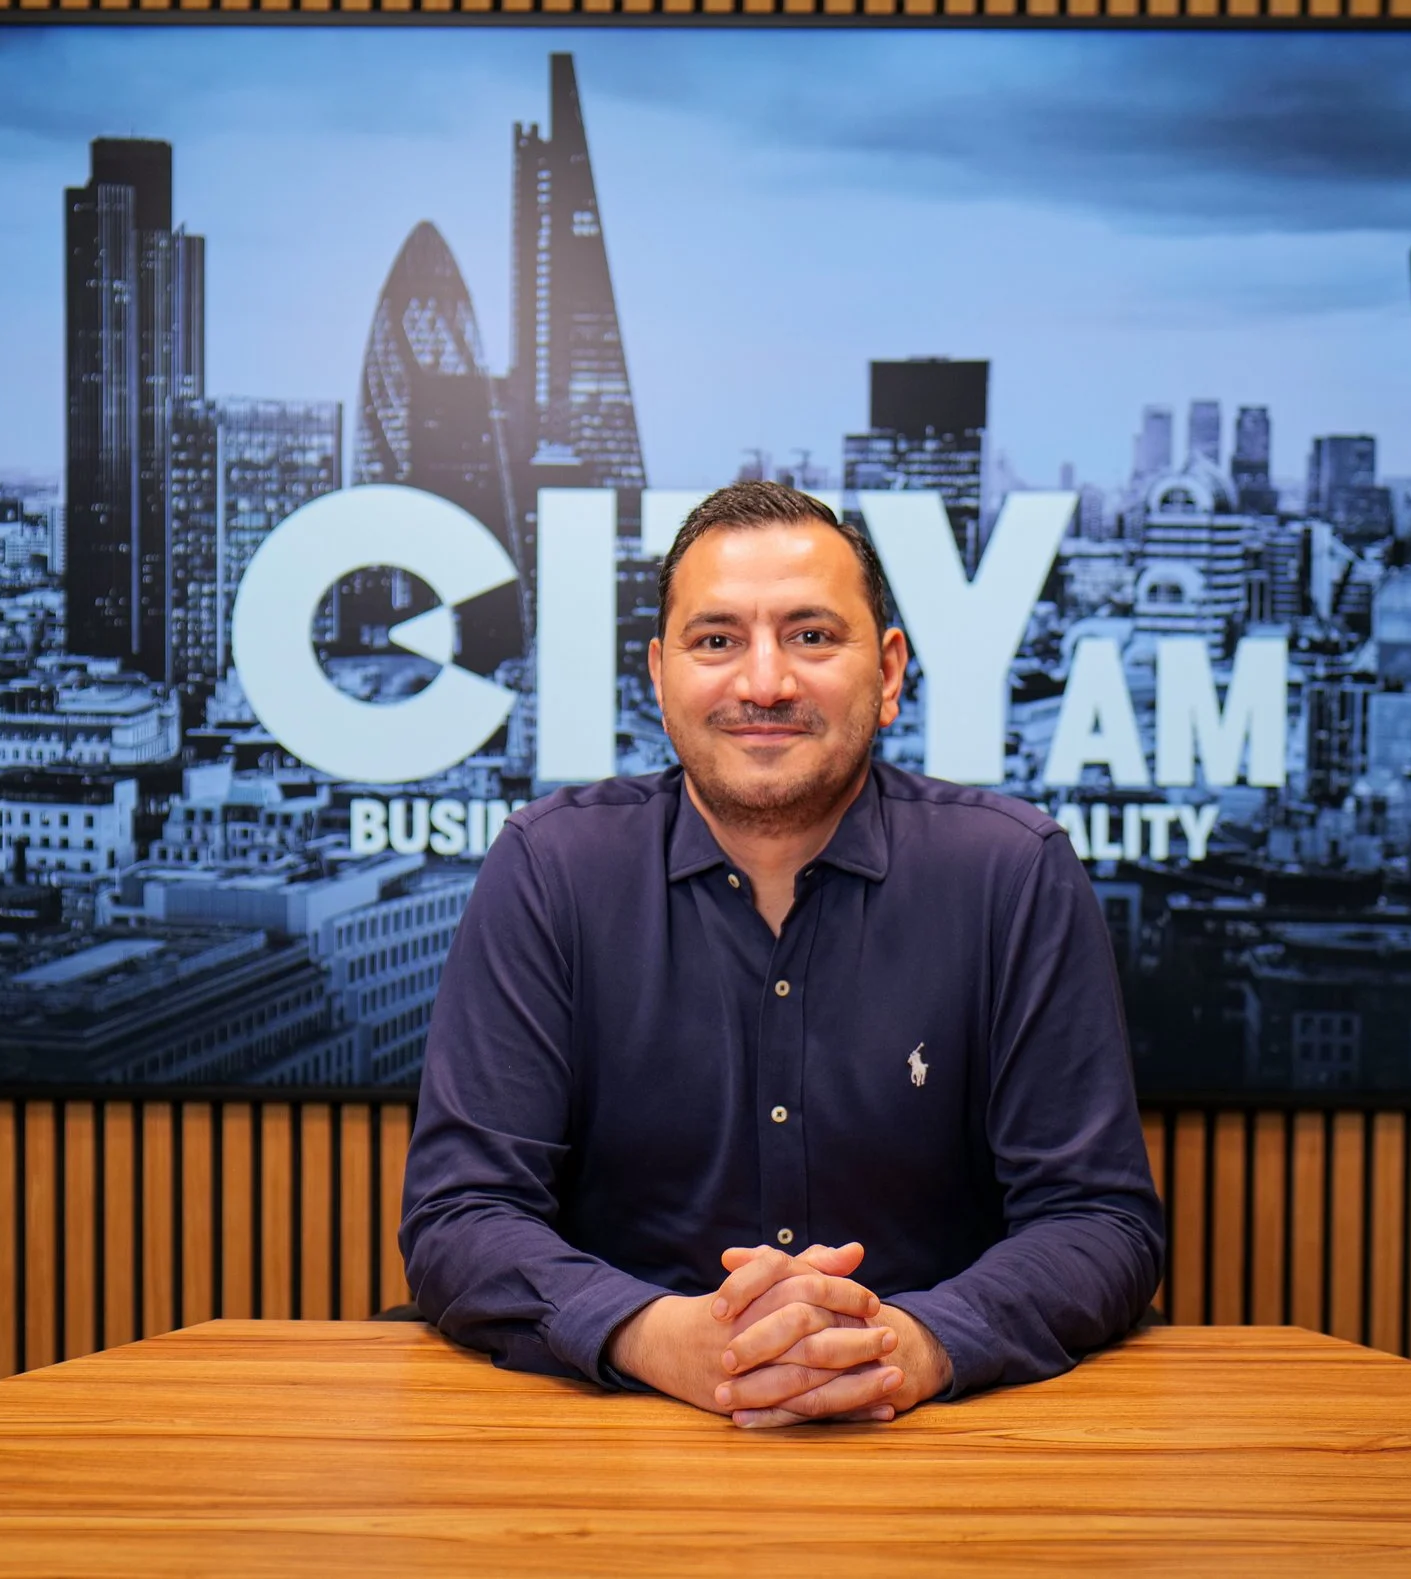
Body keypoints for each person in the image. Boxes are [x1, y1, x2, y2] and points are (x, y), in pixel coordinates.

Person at [399, 481, 1162, 1428]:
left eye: (810, 636)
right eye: (717, 640)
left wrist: (903, 1346)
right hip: (611, 1440)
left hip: (940, 1447)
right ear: (660, 676)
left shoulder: (1012, 874)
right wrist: (657, 1334)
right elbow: (462, 1215)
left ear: (887, 674)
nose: (765, 683)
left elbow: (1100, 1222)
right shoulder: (551, 868)